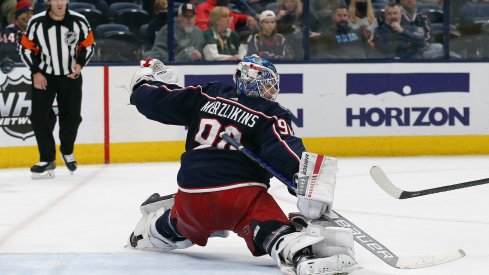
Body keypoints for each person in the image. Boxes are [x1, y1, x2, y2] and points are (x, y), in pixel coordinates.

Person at [126, 55, 359, 275]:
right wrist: (304, 178)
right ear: (256, 82)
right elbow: (283, 148)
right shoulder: (269, 113)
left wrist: (143, 84)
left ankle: (154, 230)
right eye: (267, 84)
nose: (271, 90)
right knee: (266, 221)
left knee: (184, 222)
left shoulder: (209, 94)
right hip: (238, 197)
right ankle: (299, 252)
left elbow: (158, 99)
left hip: (190, 195)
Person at [19, 0, 95, 179]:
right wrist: (36, 72)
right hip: (44, 76)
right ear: (49, 2)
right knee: (39, 116)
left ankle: (67, 151)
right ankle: (47, 159)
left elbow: (89, 45)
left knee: (73, 117)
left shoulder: (79, 21)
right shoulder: (37, 22)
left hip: (71, 76)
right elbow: (26, 48)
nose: (59, 2)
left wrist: (79, 64)